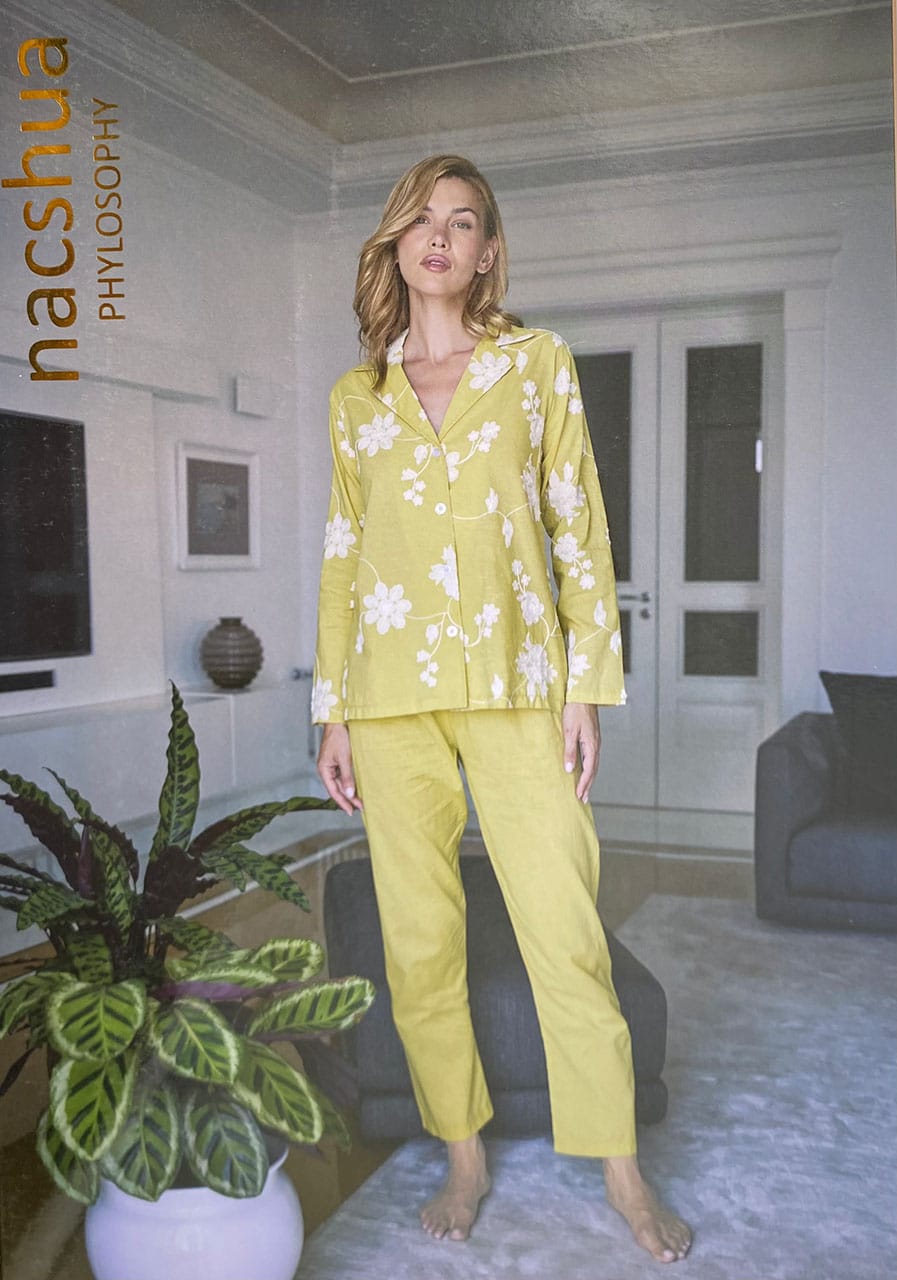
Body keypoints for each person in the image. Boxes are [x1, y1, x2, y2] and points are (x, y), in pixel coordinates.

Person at [312, 154, 691, 1264]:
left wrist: (586, 688)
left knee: (562, 927)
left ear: (486, 252)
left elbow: (580, 529)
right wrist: (334, 711)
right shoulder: (357, 397)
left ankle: (621, 1166)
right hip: (389, 699)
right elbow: (343, 559)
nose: (440, 235)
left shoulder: (537, 366)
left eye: (463, 220)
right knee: (419, 939)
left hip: (521, 684)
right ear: (396, 243)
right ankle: (463, 1153)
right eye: (421, 218)